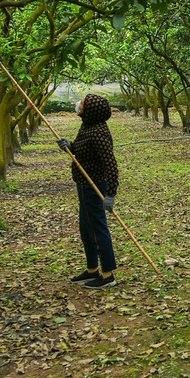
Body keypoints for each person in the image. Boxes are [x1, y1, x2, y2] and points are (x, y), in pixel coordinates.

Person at [57, 94, 120, 288]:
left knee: (97, 229)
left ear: (90, 109)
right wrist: (71, 147)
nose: (79, 105)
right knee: (86, 229)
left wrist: (110, 194)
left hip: (94, 186)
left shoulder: (98, 132)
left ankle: (108, 275)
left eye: (83, 103)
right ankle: (92, 268)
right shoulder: (88, 126)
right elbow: (84, 150)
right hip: (84, 185)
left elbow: (111, 164)